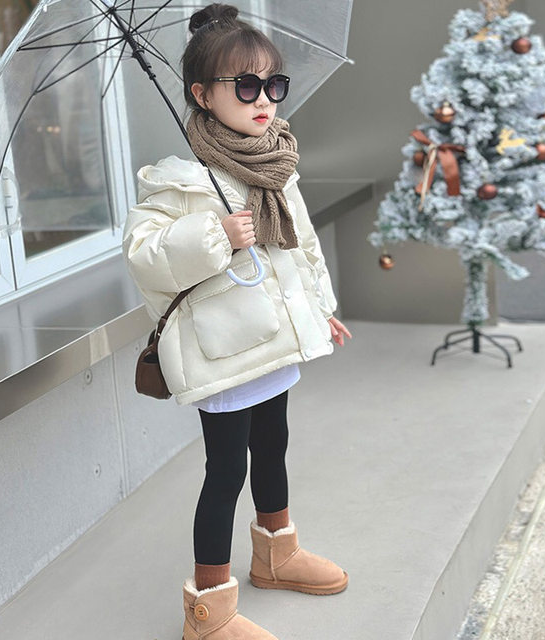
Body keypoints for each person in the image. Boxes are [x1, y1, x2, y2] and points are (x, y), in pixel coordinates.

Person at [122, 4, 352, 639]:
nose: (264, 101)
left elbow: (301, 247)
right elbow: (144, 257)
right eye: (246, 86)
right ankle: (208, 609)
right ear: (202, 95)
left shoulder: (275, 163)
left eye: (274, 85)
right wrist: (214, 234)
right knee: (225, 471)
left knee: (274, 445)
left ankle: (276, 555)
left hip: (275, 340)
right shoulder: (178, 183)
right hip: (225, 353)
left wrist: (322, 309)